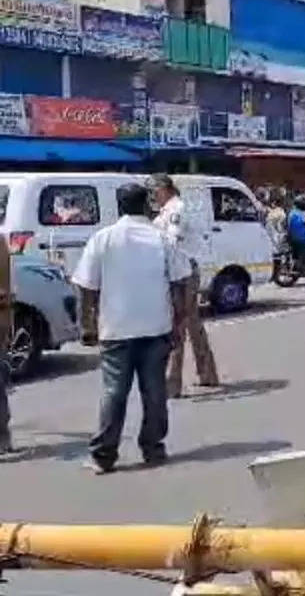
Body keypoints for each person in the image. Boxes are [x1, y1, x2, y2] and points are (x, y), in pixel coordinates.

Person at [72, 184, 190, 474]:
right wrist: (178, 323)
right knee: (154, 391)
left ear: (119, 206)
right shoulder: (162, 239)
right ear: (146, 205)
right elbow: (180, 285)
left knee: (114, 392)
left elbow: (86, 287)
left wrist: (87, 324)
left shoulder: (104, 238)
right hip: (156, 327)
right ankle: (152, 448)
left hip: (116, 329)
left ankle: (103, 456)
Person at [147, 174, 218, 399]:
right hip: (180, 272)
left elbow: (171, 241)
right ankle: (207, 373)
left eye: (154, 191)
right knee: (192, 324)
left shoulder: (177, 209)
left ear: (164, 189)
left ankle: (172, 383)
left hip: (183, 274)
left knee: (177, 325)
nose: (152, 196)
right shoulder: (165, 212)